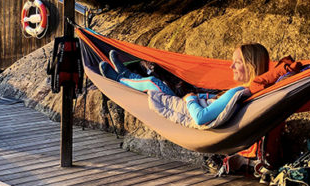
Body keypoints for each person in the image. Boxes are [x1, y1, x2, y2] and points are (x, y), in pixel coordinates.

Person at [99, 43, 270, 126]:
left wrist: (190, 100)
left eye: (237, 62)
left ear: (251, 65)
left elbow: (201, 117)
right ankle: (125, 74)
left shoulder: (238, 92)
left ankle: (121, 78)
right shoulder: (243, 92)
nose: (231, 66)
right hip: (192, 101)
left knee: (153, 83)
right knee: (159, 77)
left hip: (185, 107)